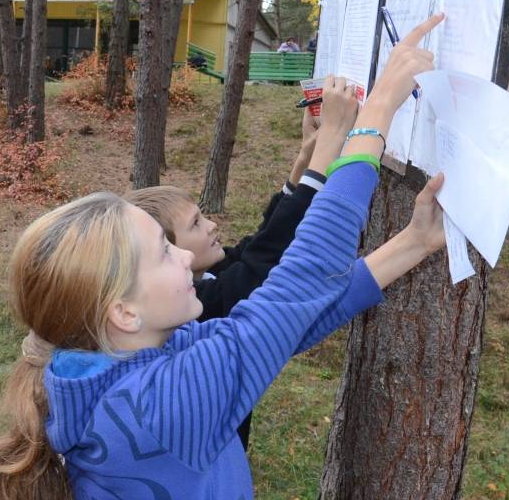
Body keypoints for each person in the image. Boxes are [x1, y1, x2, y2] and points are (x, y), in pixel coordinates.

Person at [0, 13, 445, 500]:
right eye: (163, 251)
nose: (184, 256)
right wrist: (372, 119)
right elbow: (295, 283)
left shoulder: (119, 364)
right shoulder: (164, 404)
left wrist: (412, 243)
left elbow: (290, 322)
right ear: (123, 312)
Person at [126, 105, 350, 451]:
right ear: (168, 250)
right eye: (196, 225)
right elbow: (263, 260)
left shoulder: (210, 275)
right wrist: (327, 152)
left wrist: (305, 158)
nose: (212, 225)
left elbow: (258, 244)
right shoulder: (199, 305)